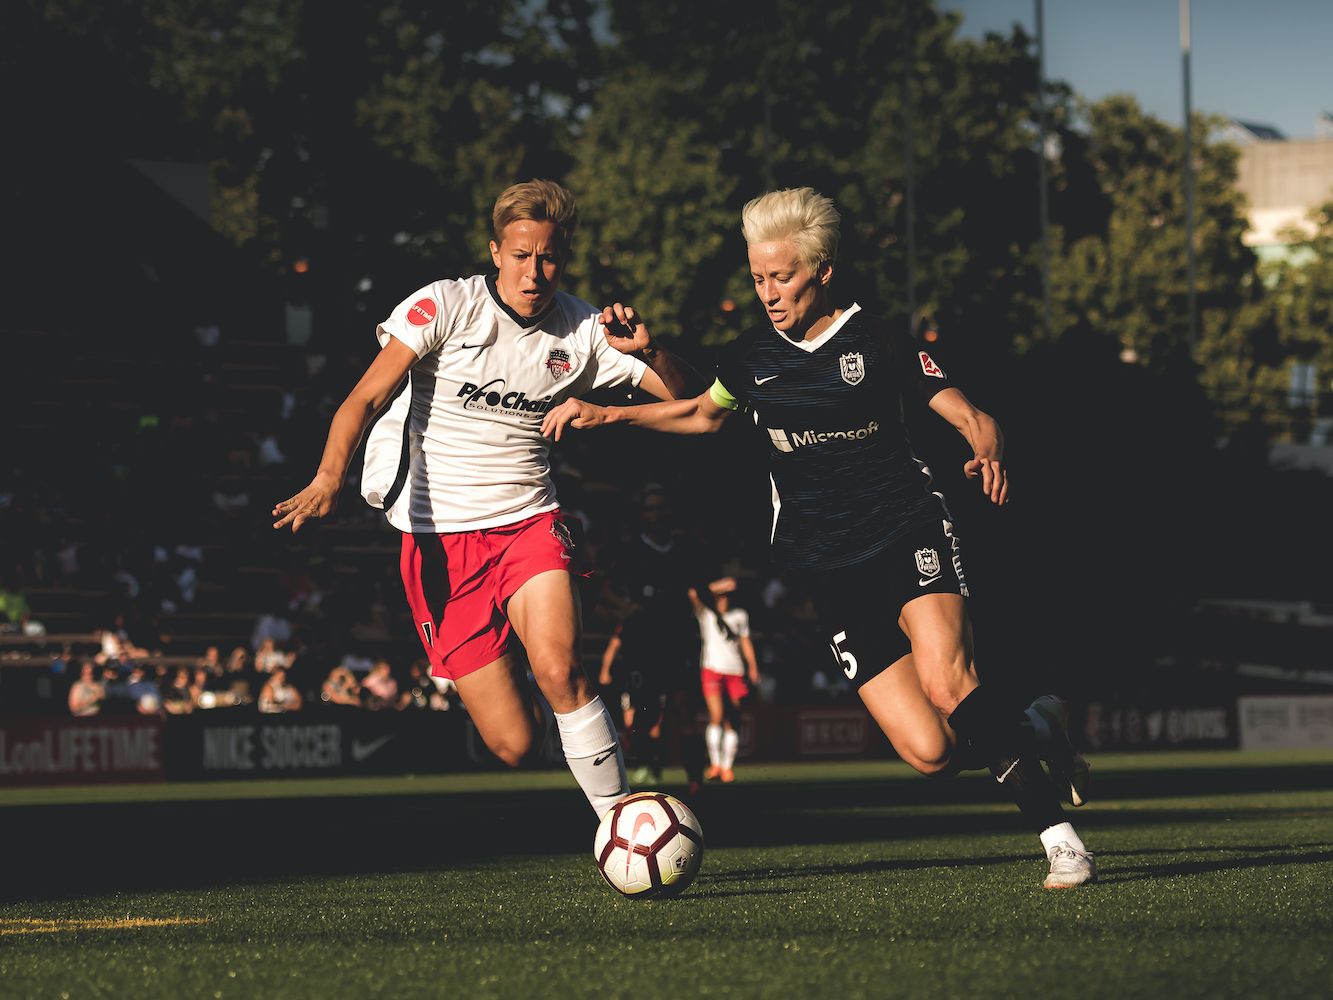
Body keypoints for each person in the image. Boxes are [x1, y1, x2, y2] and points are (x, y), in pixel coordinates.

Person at [543, 187, 1096, 888]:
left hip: (907, 531)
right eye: (757, 278)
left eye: (782, 277)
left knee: (948, 681)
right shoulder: (751, 359)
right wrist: (607, 413)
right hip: (829, 566)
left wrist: (986, 447)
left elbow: (970, 413)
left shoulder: (881, 341)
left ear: (823, 270)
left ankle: (1060, 840)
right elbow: (699, 415)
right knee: (929, 751)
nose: (767, 292)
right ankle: (1037, 726)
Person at [273, 179, 698, 820]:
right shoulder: (446, 305)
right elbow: (362, 398)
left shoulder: (584, 329)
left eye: (549, 257)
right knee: (514, 744)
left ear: (564, 256)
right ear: (495, 251)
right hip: (440, 542)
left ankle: (622, 824)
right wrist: (330, 476)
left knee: (560, 670)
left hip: (530, 522)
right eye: (522, 255)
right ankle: (597, 764)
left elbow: (689, 403)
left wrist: (651, 349)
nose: (535, 272)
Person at [689, 576, 760, 783]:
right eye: (720, 596)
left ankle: (727, 767)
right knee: (717, 716)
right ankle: (715, 764)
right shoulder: (706, 614)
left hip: (735, 671)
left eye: (726, 595)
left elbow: (745, 641)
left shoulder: (739, 615)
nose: (723, 599)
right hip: (712, 669)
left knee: (733, 719)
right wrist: (717, 586)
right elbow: (693, 592)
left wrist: (753, 666)